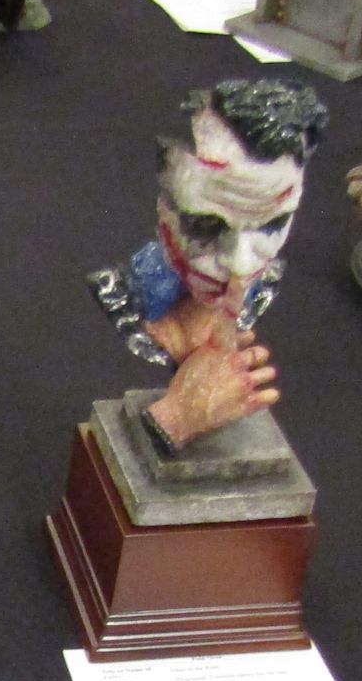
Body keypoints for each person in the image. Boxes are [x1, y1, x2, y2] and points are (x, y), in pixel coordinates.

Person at [89, 78, 328, 454]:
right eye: (207, 226)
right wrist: (175, 419)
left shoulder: (260, 285)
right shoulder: (124, 296)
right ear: (164, 207)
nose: (240, 265)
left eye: (272, 225)